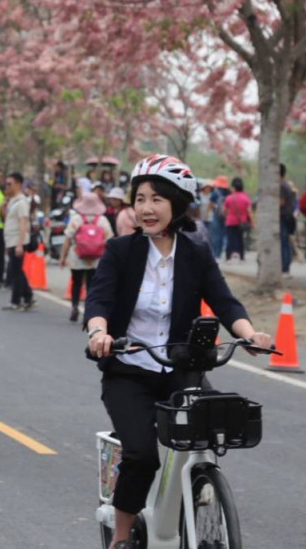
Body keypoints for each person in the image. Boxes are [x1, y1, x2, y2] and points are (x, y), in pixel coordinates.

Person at [84, 154, 273, 549]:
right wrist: (99, 332)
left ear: (176, 204)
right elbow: (99, 300)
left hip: (179, 367)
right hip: (128, 371)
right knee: (142, 455)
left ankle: (199, 492)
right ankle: (122, 536)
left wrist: (250, 334)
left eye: (156, 199)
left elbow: (225, 302)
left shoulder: (195, 252)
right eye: (140, 199)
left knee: (209, 430)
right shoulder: (120, 251)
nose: (146, 208)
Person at [60, 190, 114, 322]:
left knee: (76, 283)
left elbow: (68, 239)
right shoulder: (102, 220)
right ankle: (88, 310)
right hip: (96, 259)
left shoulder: (76, 219)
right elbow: (109, 240)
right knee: (91, 285)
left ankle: (74, 306)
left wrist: (63, 256)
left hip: (77, 257)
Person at [1, 172, 33, 311]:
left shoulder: (22, 202)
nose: (7, 187)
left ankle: (17, 300)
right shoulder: (12, 200)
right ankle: (28, 297)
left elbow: (23, 223)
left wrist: (20, 244)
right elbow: (9, 219)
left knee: (15, 272)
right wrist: (3, 207)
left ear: (18, 184)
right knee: (16, 270)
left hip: (17, 240)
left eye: (10, 184)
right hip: (11, 240)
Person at [222, 177, 253, 261]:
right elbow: (249, 211)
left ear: (233, 187)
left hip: (230, 221)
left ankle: (228, 256)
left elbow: (224, 211)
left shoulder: (229, 197)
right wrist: (252, 222)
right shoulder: (246, 198)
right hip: (242, 222)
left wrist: (227, 216)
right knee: (240, 239)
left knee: (230, 239)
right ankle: (241, 256)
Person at [279, 164, 298, 276]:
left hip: (283, 216)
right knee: (285, 242)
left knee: (283, 242)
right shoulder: (286, 185)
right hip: (288, 216)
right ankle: (285, 266)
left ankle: (285, 267)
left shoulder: (281, 186)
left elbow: (281, 201)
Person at [207, 175, 229, 259]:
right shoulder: (229, 192)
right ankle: (220, 252)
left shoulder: (215, 192)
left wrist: (208, 213)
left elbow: (210, 204)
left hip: (216, 215)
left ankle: (216, 254)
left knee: (216, 234)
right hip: (226, 216)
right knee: (224, 234)